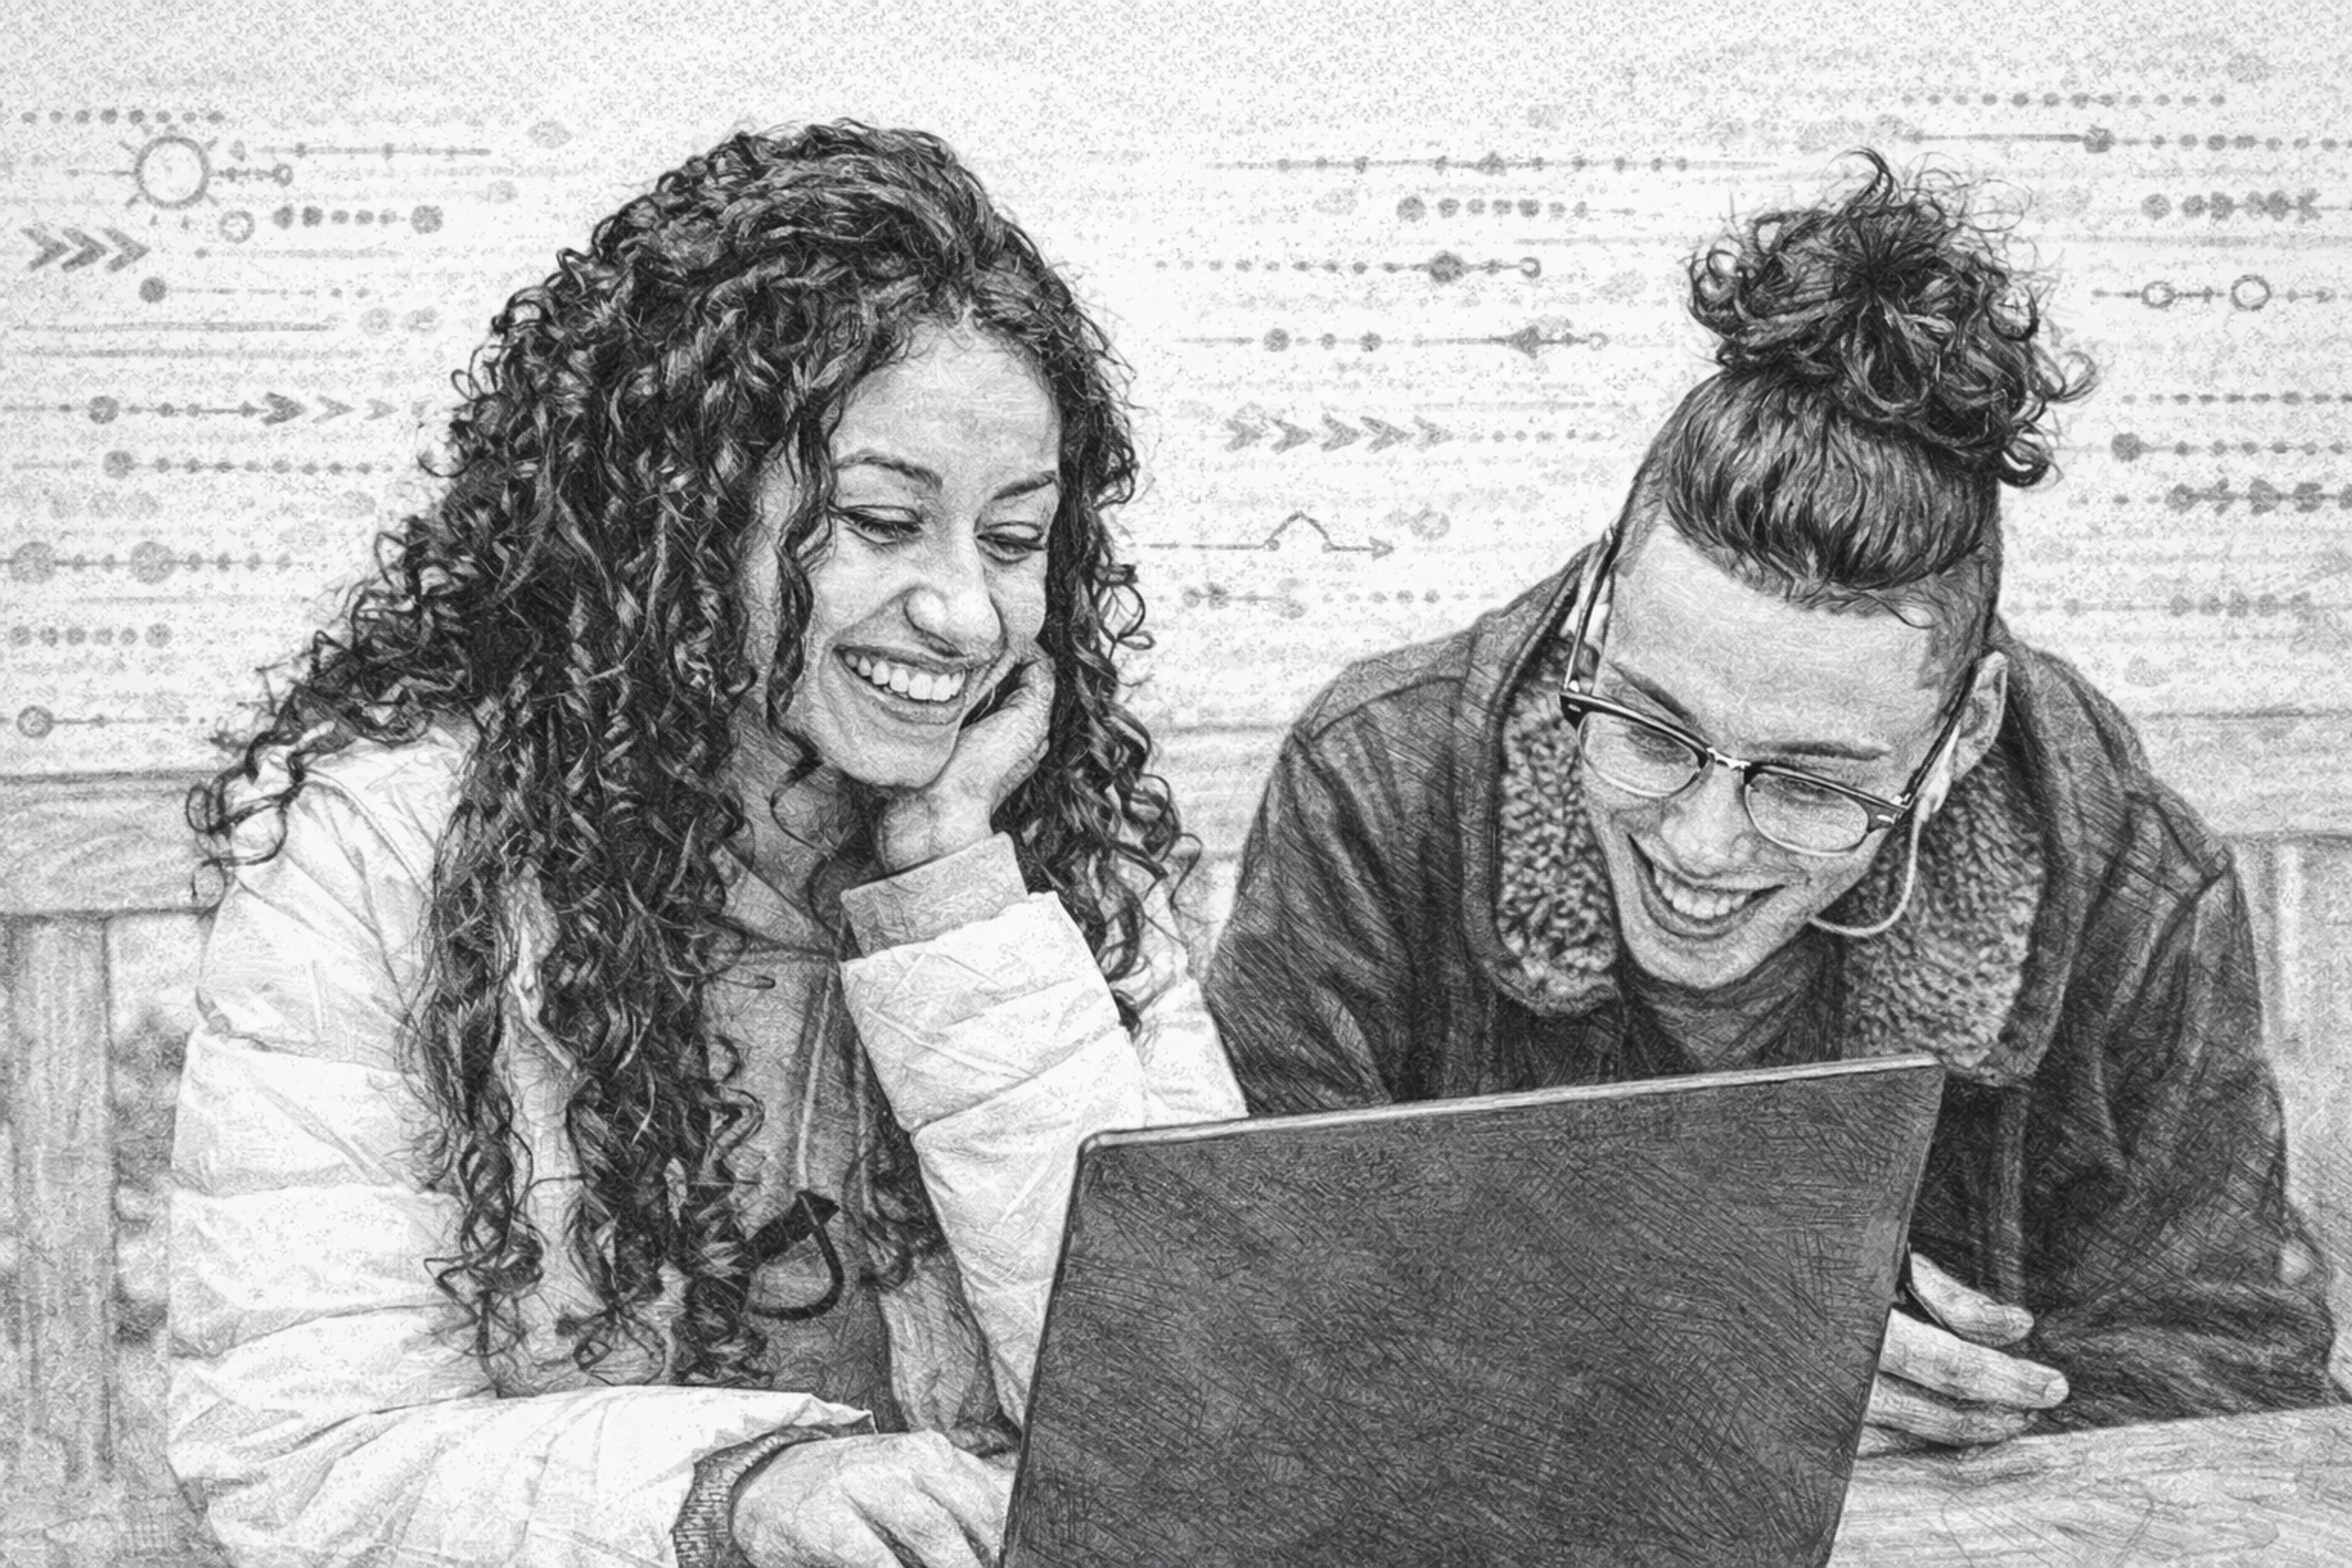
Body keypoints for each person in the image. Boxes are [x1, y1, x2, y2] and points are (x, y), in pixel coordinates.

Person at [167, 122, 1242, 1568]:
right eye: (879, 520)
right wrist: (735, 1491)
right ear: (675, 508)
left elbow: (1212, 1416)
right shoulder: (390, 849)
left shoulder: (1053, 840)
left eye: (1011, 538)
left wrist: (956, 903)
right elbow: (305, 1465)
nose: (968, 617)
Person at [1205, 152, 2342, 1449]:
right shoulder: (1376, 791)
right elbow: (1255, 1301)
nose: (1699, 840)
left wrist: (1969, 1435)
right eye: (1648, 728)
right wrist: (1697, 1366)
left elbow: (2231, 1377)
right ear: (1595, 623)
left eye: (1807, 783)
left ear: (1961, 732)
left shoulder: (2137, 882)